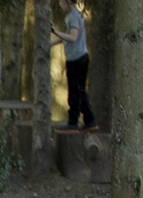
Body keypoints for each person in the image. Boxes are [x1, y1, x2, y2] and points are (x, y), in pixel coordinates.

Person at [55, 0, 94, 129]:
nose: (59, 3)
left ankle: (73, 122)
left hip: (76, 59)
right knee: (80, 90)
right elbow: (66, 35)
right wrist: (52, 42)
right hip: (78, 57)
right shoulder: (76, 15)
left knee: (75, 91)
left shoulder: (72, 16)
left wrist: (55, 31)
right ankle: (89, 120)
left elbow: (72, 36)